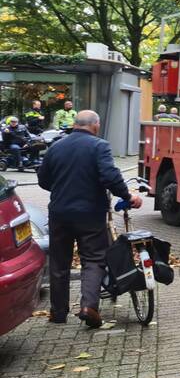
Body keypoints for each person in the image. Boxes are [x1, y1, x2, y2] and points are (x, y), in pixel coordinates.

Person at [38, 110, 143, 328]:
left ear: (75, 124)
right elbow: (110, 176)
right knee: (93, 259)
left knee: (59, 262)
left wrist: (63, 189)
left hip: (59, 213)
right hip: (90, 214)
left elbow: (43, 180)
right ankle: (89, 308)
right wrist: (128, 196)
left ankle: (58, 313)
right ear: (95, 125)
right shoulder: (99, 146)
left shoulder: (56, 146)